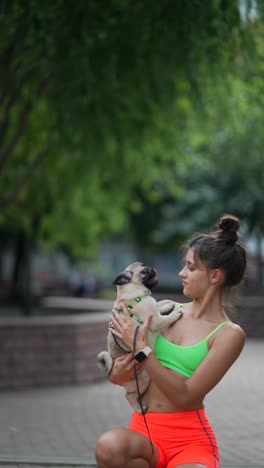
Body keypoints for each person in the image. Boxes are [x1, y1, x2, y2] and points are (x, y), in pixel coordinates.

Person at [95, 214, 247, 468]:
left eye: (191, 267)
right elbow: (127, 369)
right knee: (109, 447)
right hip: (144, 434)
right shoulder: (165, 309)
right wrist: (117, 374)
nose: (181, 273)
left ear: (215, 276)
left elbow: (186, 396)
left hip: (189, 442)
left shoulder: (228, 334)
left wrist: (143, 350)